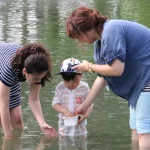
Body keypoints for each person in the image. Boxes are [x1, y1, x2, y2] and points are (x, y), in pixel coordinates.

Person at [66, 6, 150, 148]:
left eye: (78, 36)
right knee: (136, 128)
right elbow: (103, 76)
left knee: (144, 131)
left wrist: (88, 67)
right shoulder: (101, 40)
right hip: (140, 83)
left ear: (85, 29)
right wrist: (85, 105)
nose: (79, 41)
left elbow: (116, 70)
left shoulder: (111, 30)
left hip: (146, 78)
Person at [0, 43, 57, 138]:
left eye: (41, 78)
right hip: (5, 66)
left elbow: (34, 99)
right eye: (35, 79)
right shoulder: (8, 70)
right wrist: (8, 136)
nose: (38, 82)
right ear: (25, 72)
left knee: (17, 121)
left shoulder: (39, 68)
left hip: (15, 70)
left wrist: (42, 124)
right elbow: (3, 105)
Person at [52, 58, 93, 138]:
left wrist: (86, 115)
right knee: (63, 143)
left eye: (75, 80)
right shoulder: (60, 87)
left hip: (80, 123)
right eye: (67, 81)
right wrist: (65, 111)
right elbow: (55, 104)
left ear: (81, 76)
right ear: (62, 78)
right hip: (64, 125)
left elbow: (90, 103)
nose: (71, 84)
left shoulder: (84, 87)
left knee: (81, 143)